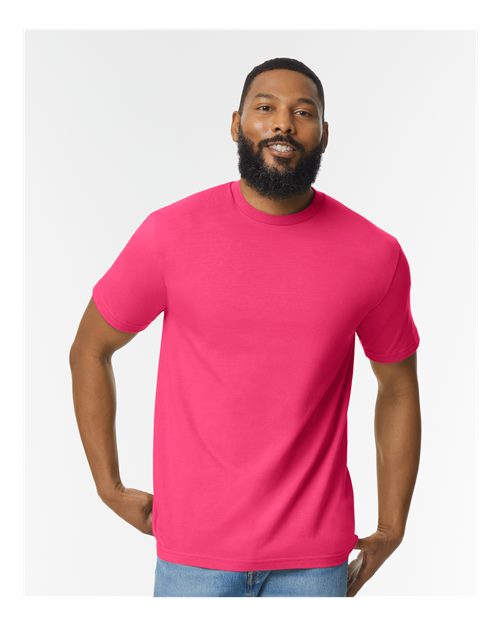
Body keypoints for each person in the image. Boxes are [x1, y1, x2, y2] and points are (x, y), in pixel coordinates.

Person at [69, 57, 421, 598]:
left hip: (314, 562)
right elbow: (90, 349)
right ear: (236, 124)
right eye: (265, 108)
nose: (283, 123)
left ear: (324, 134)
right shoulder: (171, 234)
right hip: (193, 558)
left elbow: (397, 387)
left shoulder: (374, 254)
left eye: (303, 112)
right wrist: (108, 486)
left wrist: (393, 525)